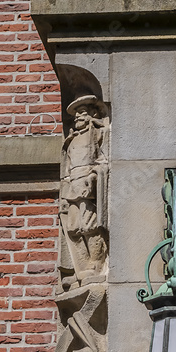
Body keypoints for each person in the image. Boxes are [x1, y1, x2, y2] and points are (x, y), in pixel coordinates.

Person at [59, 94, 109, 284]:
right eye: (76, 116)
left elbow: (103, 159)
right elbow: (66, 169)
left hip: (88, 184)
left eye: (82, 113)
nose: (78, 118)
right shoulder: (71, 141)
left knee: (90, 225)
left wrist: (94, 176)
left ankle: (95, 264)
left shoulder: (97, 133)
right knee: (73, 227)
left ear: (92, 114)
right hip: (73, 185)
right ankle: (81, 267)